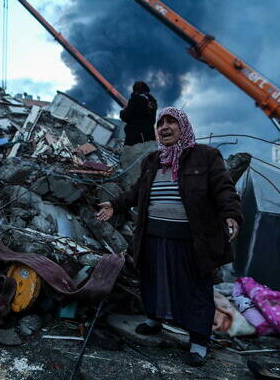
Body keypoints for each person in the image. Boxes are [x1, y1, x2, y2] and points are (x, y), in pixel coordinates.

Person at [96, 107, 242, 367]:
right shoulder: (152, 160)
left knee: (195, 289)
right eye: (161, 122)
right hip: (153, 235)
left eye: (171, 122)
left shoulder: (206, 156)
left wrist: (231, 214)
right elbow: (137, 190)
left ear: (183, 126)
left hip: (191, 239)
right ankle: (154, 318)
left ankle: (198, 341)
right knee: (153, 280)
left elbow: (224, 188)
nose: (164, 127)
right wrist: (114, 205)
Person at [120, 81, 157, 146]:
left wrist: (122, 112)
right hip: (149, 137)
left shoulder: (136, 99)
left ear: (136, 90)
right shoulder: (153, 102)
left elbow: (127, 116)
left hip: (134, 137)